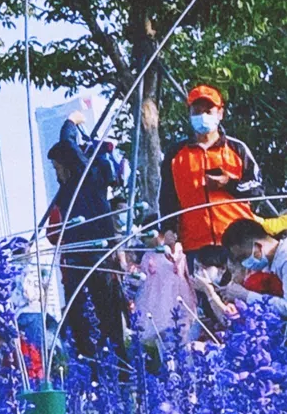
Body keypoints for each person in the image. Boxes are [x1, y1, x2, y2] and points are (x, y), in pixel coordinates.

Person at [160, 84, 270, 254]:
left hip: (239, 243)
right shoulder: (175, 154)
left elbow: (258, 189)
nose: (202, 116)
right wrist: (168, 230)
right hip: (194, 246)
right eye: (196, 111)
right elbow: (167, 197)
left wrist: (229, 183)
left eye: (208, 111)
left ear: (220, 114)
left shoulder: (237, 148)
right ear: (189, 114)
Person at [47, 134, 128, 359]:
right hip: (75, 267)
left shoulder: (88, 180)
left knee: (108, 325)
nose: (56, 174)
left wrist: (70, 124)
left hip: (96, 264)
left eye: (58, 168)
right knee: (82, 330)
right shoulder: (66, 194)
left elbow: (68, 146)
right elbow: (52, 234)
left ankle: (119, 374)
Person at [132, 222, 198, 351]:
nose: (146, 240)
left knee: (180, 325)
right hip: (155, 296)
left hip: (176, 292)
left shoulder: (175, 250)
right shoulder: (148, 255)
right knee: (159, 328)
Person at [221, 218, 287, 315]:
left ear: (258, 246)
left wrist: (246, 296)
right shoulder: (272, 263)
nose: (244, 263)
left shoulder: (284, 258)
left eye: (243, 256)